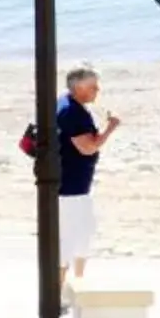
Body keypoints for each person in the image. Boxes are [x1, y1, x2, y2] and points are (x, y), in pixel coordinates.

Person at [56, 63, 118, 290]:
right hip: (70, 188)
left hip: (75, 186)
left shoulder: (67, 104)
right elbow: (88, 147)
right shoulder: (71, 111)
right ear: (79, 87)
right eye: (93, 86)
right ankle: (62, 290)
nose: (97, 90)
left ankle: (78, 284)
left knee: (83, 234)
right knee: (70, 239)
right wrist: (110, 128)